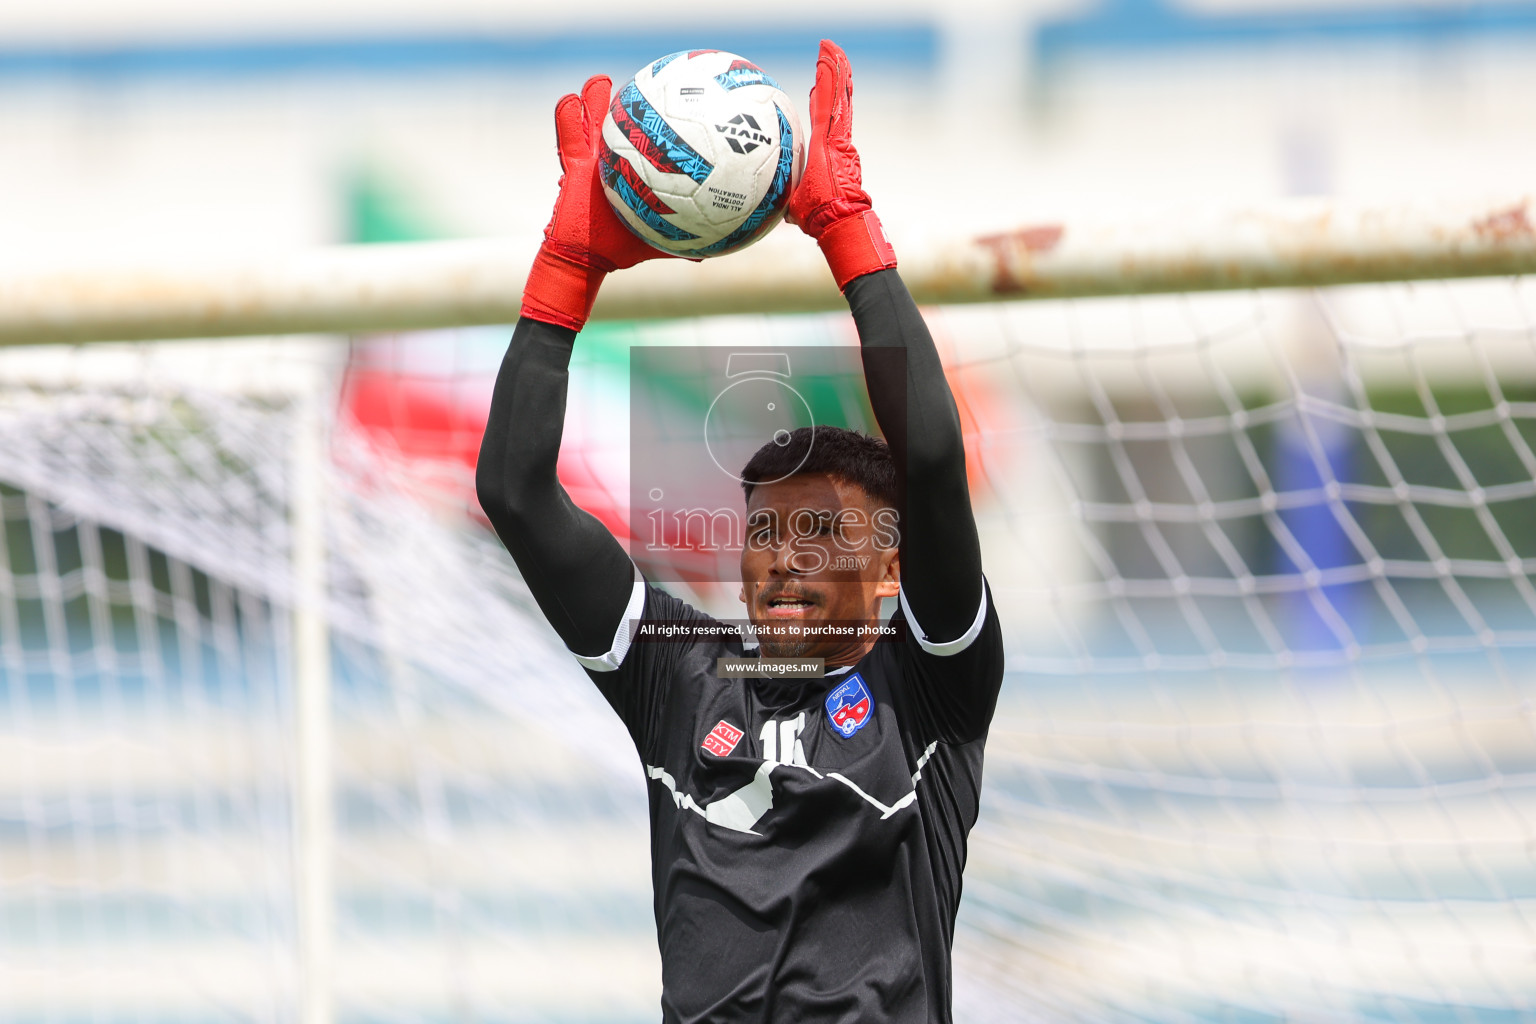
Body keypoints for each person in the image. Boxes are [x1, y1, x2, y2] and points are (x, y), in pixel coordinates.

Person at [476, 39, 1004, 1024]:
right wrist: (567, 269)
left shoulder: (929, 687)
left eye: (820, 530)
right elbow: (515, 490)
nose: (785, 556)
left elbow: (932, 459)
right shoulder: (677, 676)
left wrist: (848, 231)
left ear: (891, 567)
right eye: (767, 532)